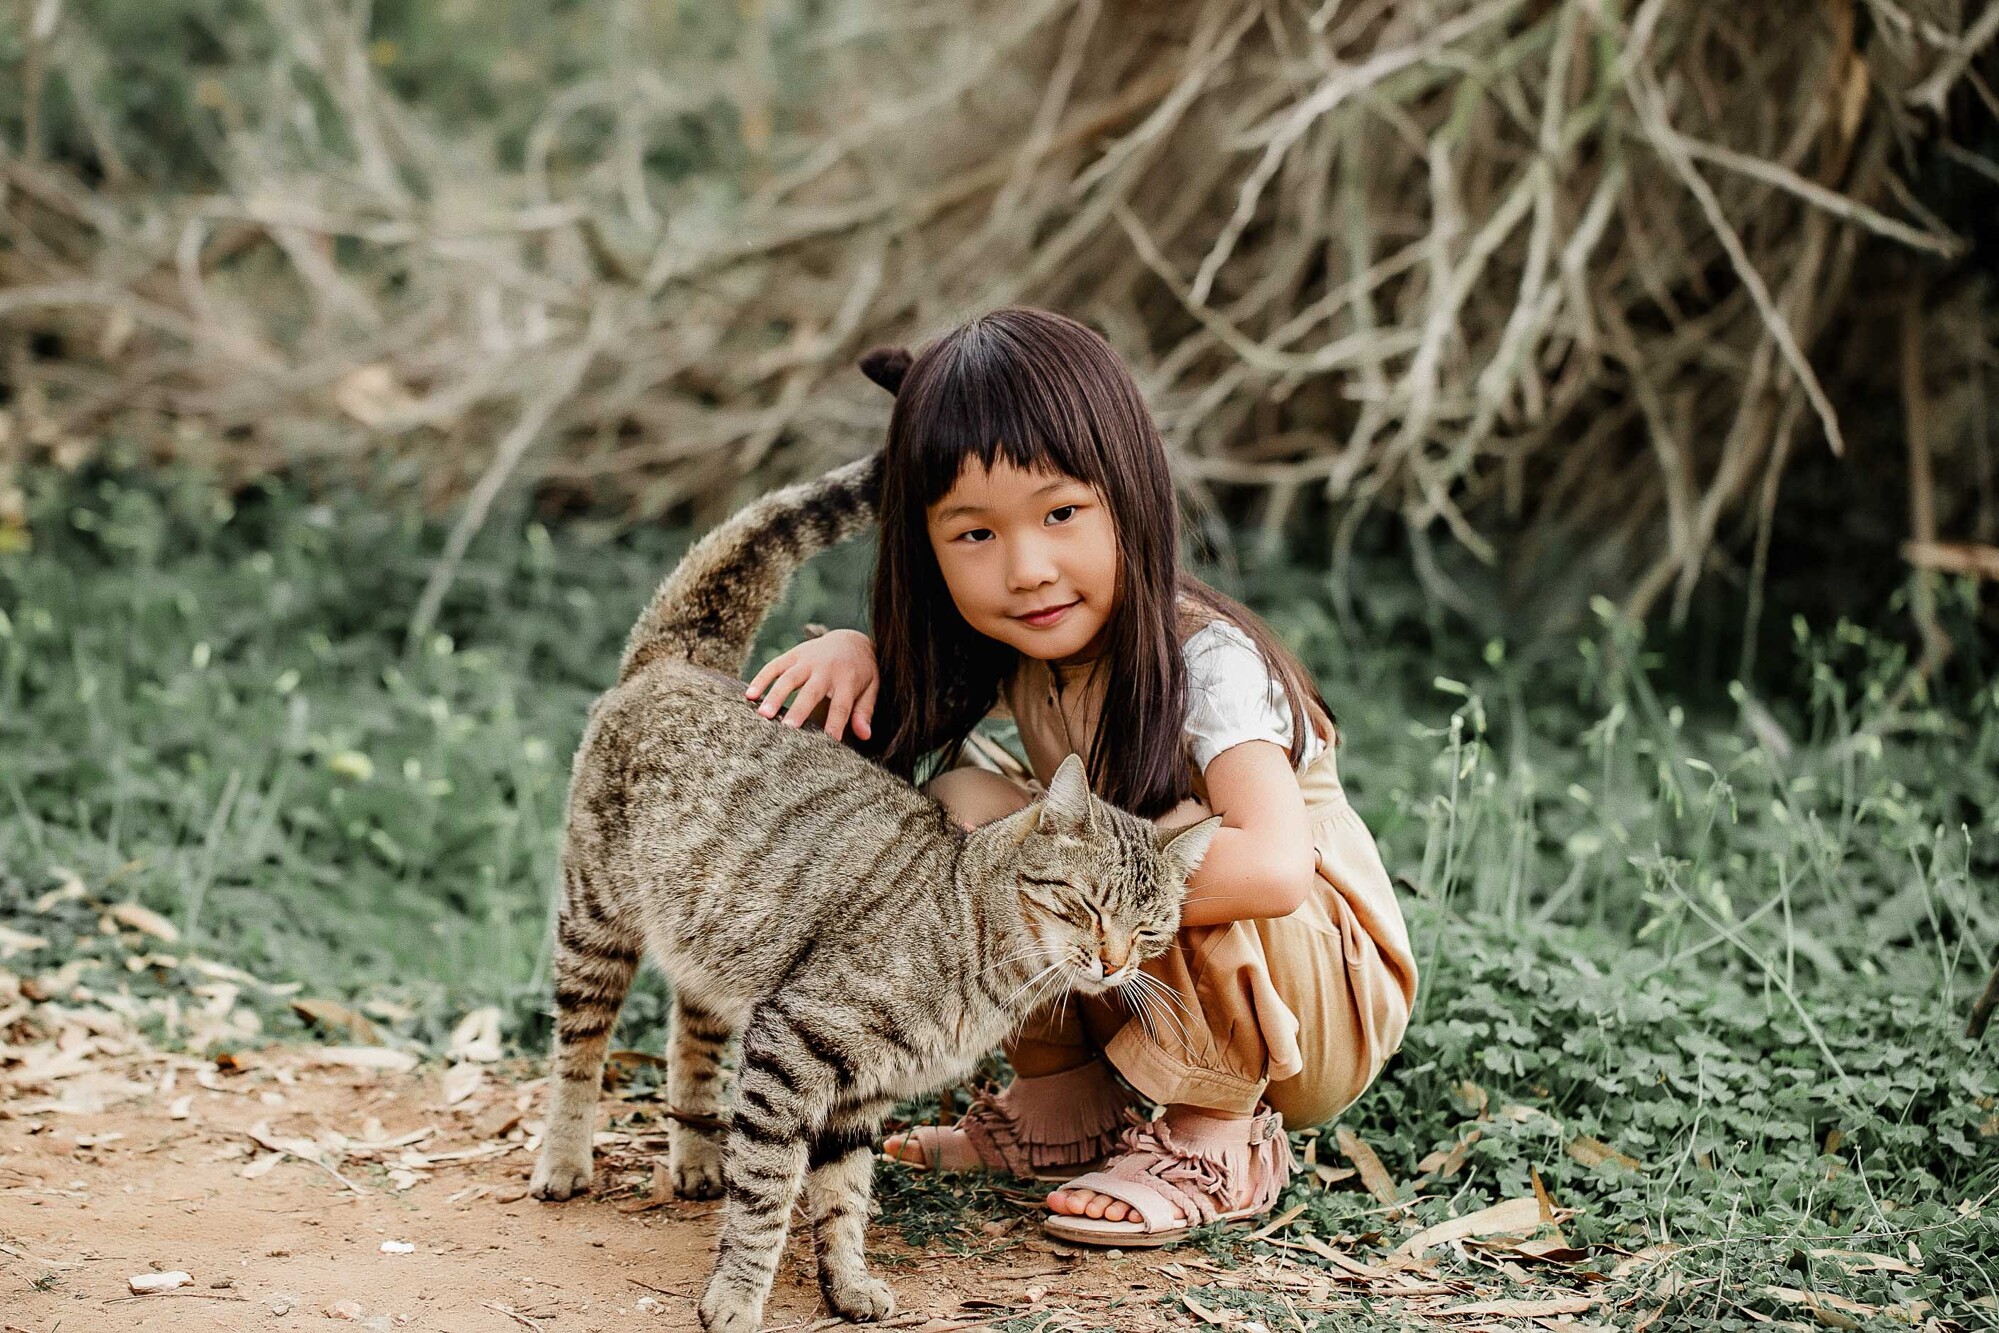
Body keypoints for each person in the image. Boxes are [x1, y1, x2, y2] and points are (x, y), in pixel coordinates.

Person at [743, 307, 1417, 1245]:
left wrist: (1090, 885)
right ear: (924, 549)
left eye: (1060, 514)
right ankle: (1064, 1105)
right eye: (973, 534)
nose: (1026, 569)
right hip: (1143, 971)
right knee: (961, 810)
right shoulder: (1022, 651)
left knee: (1157, 841)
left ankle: (1216, 1141)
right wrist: (860, 653)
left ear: (1128, 495)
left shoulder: (1205, 658)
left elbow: (1273, 869)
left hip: (1312, 1001)